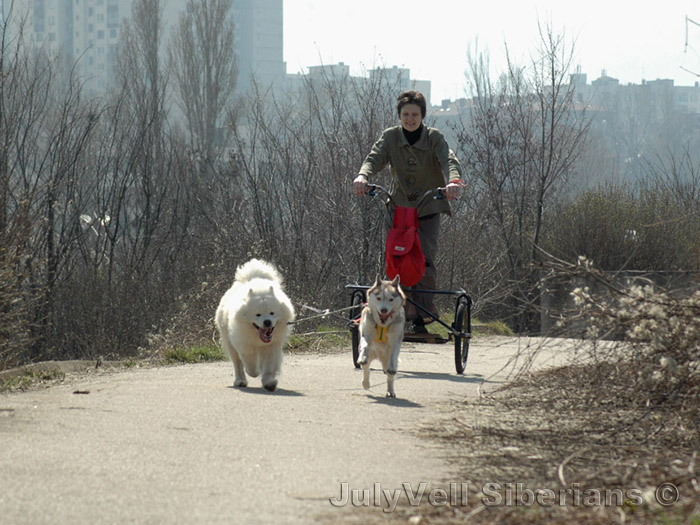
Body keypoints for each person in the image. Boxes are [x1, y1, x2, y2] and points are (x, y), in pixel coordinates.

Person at [353, 90, 463, 334]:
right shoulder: (391, 137)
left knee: (423, 259)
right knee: (397, 259)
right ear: (399, 115)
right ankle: (399, 311)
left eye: (414, 114)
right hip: (399, 208)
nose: (410, 119)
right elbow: (374, 158)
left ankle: (421, 313)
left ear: (422, 115)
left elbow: (449, 161)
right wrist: (363, 176)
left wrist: (453, 182)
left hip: (428, 207)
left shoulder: (434, 138)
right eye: (406, 114)